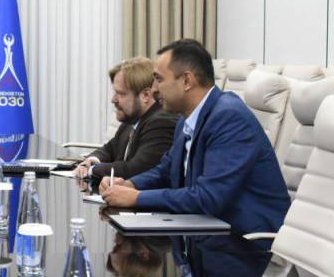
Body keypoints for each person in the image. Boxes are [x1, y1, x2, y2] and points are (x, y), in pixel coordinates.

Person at [100, 39, 291, 235]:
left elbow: (209, 197)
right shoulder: (187, 118)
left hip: (245, 241)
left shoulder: (229, 118)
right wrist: (130, 184)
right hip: (207, 230)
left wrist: (136, 197)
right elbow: (166, 170)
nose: (154, 89)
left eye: (159, 79)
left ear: (186, 81)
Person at [74, 57, 177, 180]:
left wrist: (92, 169)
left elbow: (135, 170)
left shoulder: (161, 123)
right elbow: (109, 149)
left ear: (145, 95)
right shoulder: (131, 120)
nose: (113, 100)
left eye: (121, 94)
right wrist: (92, 160)